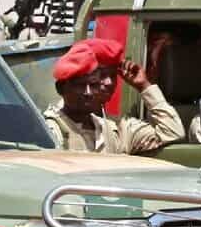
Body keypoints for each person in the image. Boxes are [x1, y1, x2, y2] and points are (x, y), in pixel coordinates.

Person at [44, 41, 185, 154]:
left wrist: (145, 86)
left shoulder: (114, 128)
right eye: (102, 75)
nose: (109, 82)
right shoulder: (51, 128)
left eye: (113, 75)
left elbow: (172, 132)